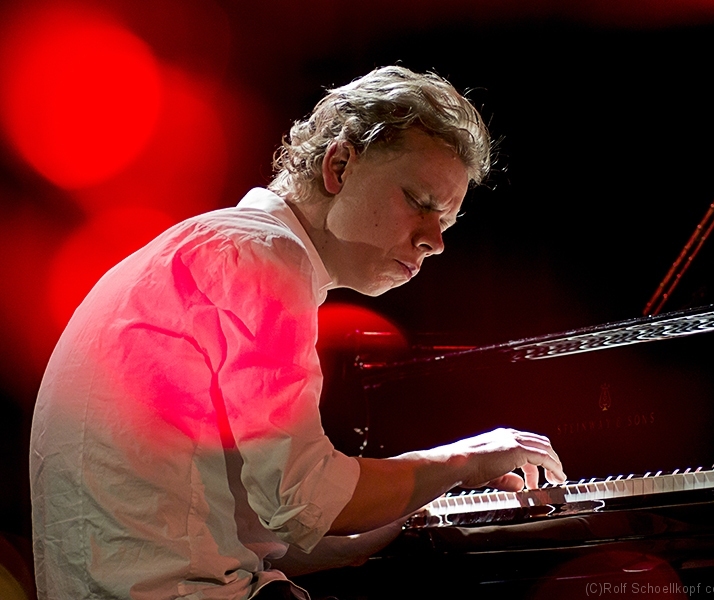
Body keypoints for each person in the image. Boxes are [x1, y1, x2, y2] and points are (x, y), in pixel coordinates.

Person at [30, 66, 566, 600]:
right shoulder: (264, 256)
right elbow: (311, 501)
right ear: (339, 165)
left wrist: (426, 503)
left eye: (444, 223)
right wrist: (464, 460)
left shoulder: (209, 246)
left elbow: (275, 536)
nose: (435, 242)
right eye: (419, 203)